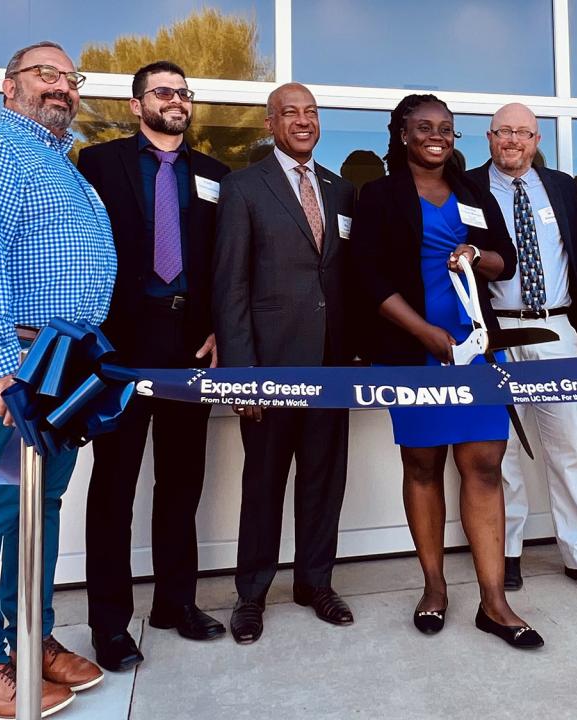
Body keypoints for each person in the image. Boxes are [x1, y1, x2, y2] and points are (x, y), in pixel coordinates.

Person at [0, 40, 111, 719]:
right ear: (8, 88)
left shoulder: (60, 163)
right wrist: (5, 374)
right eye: (47, 74)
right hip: (10, 363)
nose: (62, 88)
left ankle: (31, 639)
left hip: (59, 366)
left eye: (70, 79)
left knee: (38, 505)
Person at [350, 94, 543, 649]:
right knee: (423, 465)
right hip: (414, 353)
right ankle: (434, 588)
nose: (437, 136)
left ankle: (495, 603)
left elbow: (504, 257)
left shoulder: (472, 191)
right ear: (402, 132)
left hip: (477, 350)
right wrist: (427, 334)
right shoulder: (380, 195)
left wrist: (477, 258)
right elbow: (370, 280)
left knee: (484, 463)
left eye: (447, 128)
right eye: (424, 127)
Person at [77, 61, 231, 672]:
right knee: (113, 486)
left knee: (182, 480)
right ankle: (110, 625)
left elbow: (225, 260)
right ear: (136, 104)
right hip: (119, 342)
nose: (176, 101)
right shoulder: (98, 164)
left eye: (183, 93)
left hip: (189, 342)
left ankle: (175, 603)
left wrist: (221, 326)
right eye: (163, 92)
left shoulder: (216, 175)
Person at [212, 82, 357, 645]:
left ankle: (315, 582)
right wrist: (242, 376)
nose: (303, 121)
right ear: (269, 124)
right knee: (265, 482)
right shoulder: (243, 187)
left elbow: (344, 279)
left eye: (311, 112)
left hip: (332, 367)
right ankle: (251, 595)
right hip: (270, 367)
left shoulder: (341, 191)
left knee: (324, 481)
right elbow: (231, 287)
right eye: (290, 112)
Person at [465, 103, 577, 600]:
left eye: (524, 132)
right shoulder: (466, 187)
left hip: (556, 329)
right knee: (499, 453)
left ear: (536, 139)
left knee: (569, 447)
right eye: (504, 131)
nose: (514, 140)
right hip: (494, 336)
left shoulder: (563, 187)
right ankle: (506, 552)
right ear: (489, 137)